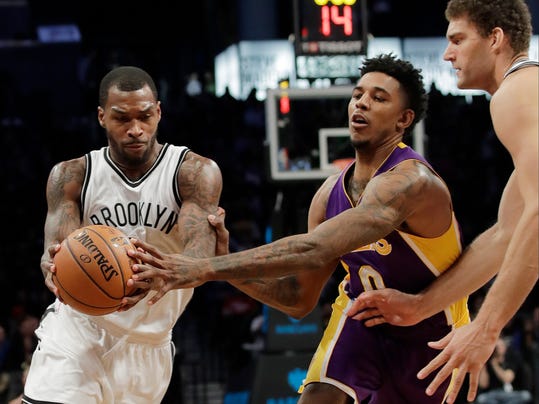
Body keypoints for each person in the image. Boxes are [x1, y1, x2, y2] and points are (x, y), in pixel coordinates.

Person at [124, 54, 471, 403]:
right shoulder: (328, 195)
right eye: (358, 94)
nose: (361, 103)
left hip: (431, 331)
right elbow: (297, 299)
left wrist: (201, 268)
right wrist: (224, 265)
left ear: (403, 120)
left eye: (379, 98)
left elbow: (314, 247)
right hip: (360, 322)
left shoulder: (413, 181)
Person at [346, 0, 538, 403]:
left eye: (457, 39)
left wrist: (485, 329)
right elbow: (506, 234)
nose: (447, 53)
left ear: (496, 38)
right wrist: (420, 307)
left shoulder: (517, 95)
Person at [22, 65, 225, 403]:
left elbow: (200, 259)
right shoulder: (71, 176)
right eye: (121, 119)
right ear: (102, 117)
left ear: (159, 112)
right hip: (79, 333)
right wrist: (53, 264)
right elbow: (58, 252)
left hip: (151, 345)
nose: (135, 129)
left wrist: (157, 275)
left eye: (145, 116)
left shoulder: (194, 173)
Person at [476, 335, 532, 404]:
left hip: (510, 393)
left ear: (505, 347)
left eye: (500, 347)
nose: (497, 349)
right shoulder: (488, 360)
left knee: (526, 395)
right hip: (493, 393)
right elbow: (483, 384)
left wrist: (495, 365)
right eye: (495, 347)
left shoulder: (510, 358)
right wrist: (483, 364)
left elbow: (507, 379)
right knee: (482, 398)